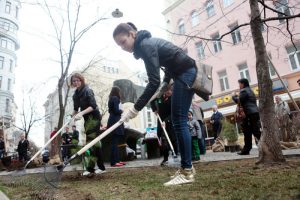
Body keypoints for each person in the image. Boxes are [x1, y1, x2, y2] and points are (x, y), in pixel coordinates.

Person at [113, 23, 197, 186]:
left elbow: (153, 81)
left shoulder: (145, 45)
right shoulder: (147, 43)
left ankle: (187, 171)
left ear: (132, 34)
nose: (122, 48)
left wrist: (135, 108)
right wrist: (165, 85)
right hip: (182, 73)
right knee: (178, 121)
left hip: (185, 73)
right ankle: (188, 169)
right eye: (119, 45)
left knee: (179, 121)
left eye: (123, 42)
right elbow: (170, 62)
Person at [71, 72, 106, 176]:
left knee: (93, 142)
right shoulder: (75, 95)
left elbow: (93, 106)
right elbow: (75, 109)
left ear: (81, 80)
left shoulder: (87, 90)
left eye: (77, 80)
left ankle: (95, 168)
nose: (76, 82)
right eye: (74, 81)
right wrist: (72, 117)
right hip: (87, 119)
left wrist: (81, 113)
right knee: (92, 143)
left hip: (94, 118)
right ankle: (95, 168)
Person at [150, 84, 178, 166]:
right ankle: (165, 158)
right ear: (164, 91)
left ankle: (175, 155)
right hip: (160, 120)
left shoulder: (174, 99)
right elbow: (151, 101)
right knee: (162, 138)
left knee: (173, 139)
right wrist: (154, 110)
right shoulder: (159, 97)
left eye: (171, 91)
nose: (170, 92)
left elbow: (173, 113)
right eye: (168, 90)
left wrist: (166, 121)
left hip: (170, 120)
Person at [232, 78, 261, 155]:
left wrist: (233, 96)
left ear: (243, 84)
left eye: (239, 84)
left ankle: (247, 149)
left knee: (251, 132)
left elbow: (239, 100)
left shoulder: (244, 90)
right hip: (254, 112)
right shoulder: (250, 90)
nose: (239, 85)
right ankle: (247, 150)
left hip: (248, 114)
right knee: (253, 131)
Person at [107, 86, 126, 167]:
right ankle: (114, 162)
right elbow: (116, 110)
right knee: (114, 143)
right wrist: (121, 111)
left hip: (113, 120)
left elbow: (110, 110)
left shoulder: (111, 98)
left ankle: (117, 160)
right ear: (117, 92)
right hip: (115, 121)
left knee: (115, 142)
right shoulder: (115, 98)